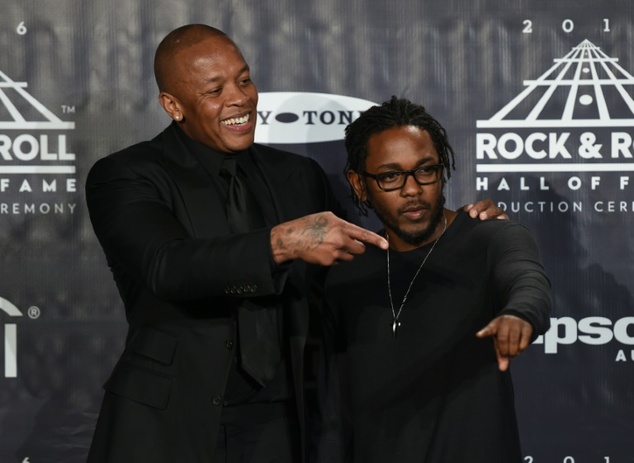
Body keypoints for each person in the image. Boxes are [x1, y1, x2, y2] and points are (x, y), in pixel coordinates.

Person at [85, 25, 505, 463]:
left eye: (244, 80)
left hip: (282, 423)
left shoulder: (296, 175)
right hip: (168, 424)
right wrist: (279, 243)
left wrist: (461, 238)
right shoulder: (127, 175)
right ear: (173, 105)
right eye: (215, 89)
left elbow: (356, 270)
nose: (240, 99)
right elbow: (165, 266)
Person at [312, 97, 552, 463]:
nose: (412, 189)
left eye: (425, 170)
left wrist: (519, 315)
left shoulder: (490, 237)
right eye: (391, 176)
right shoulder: (346, 270)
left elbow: (526, 279)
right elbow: (336, 408)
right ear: (359, 184)